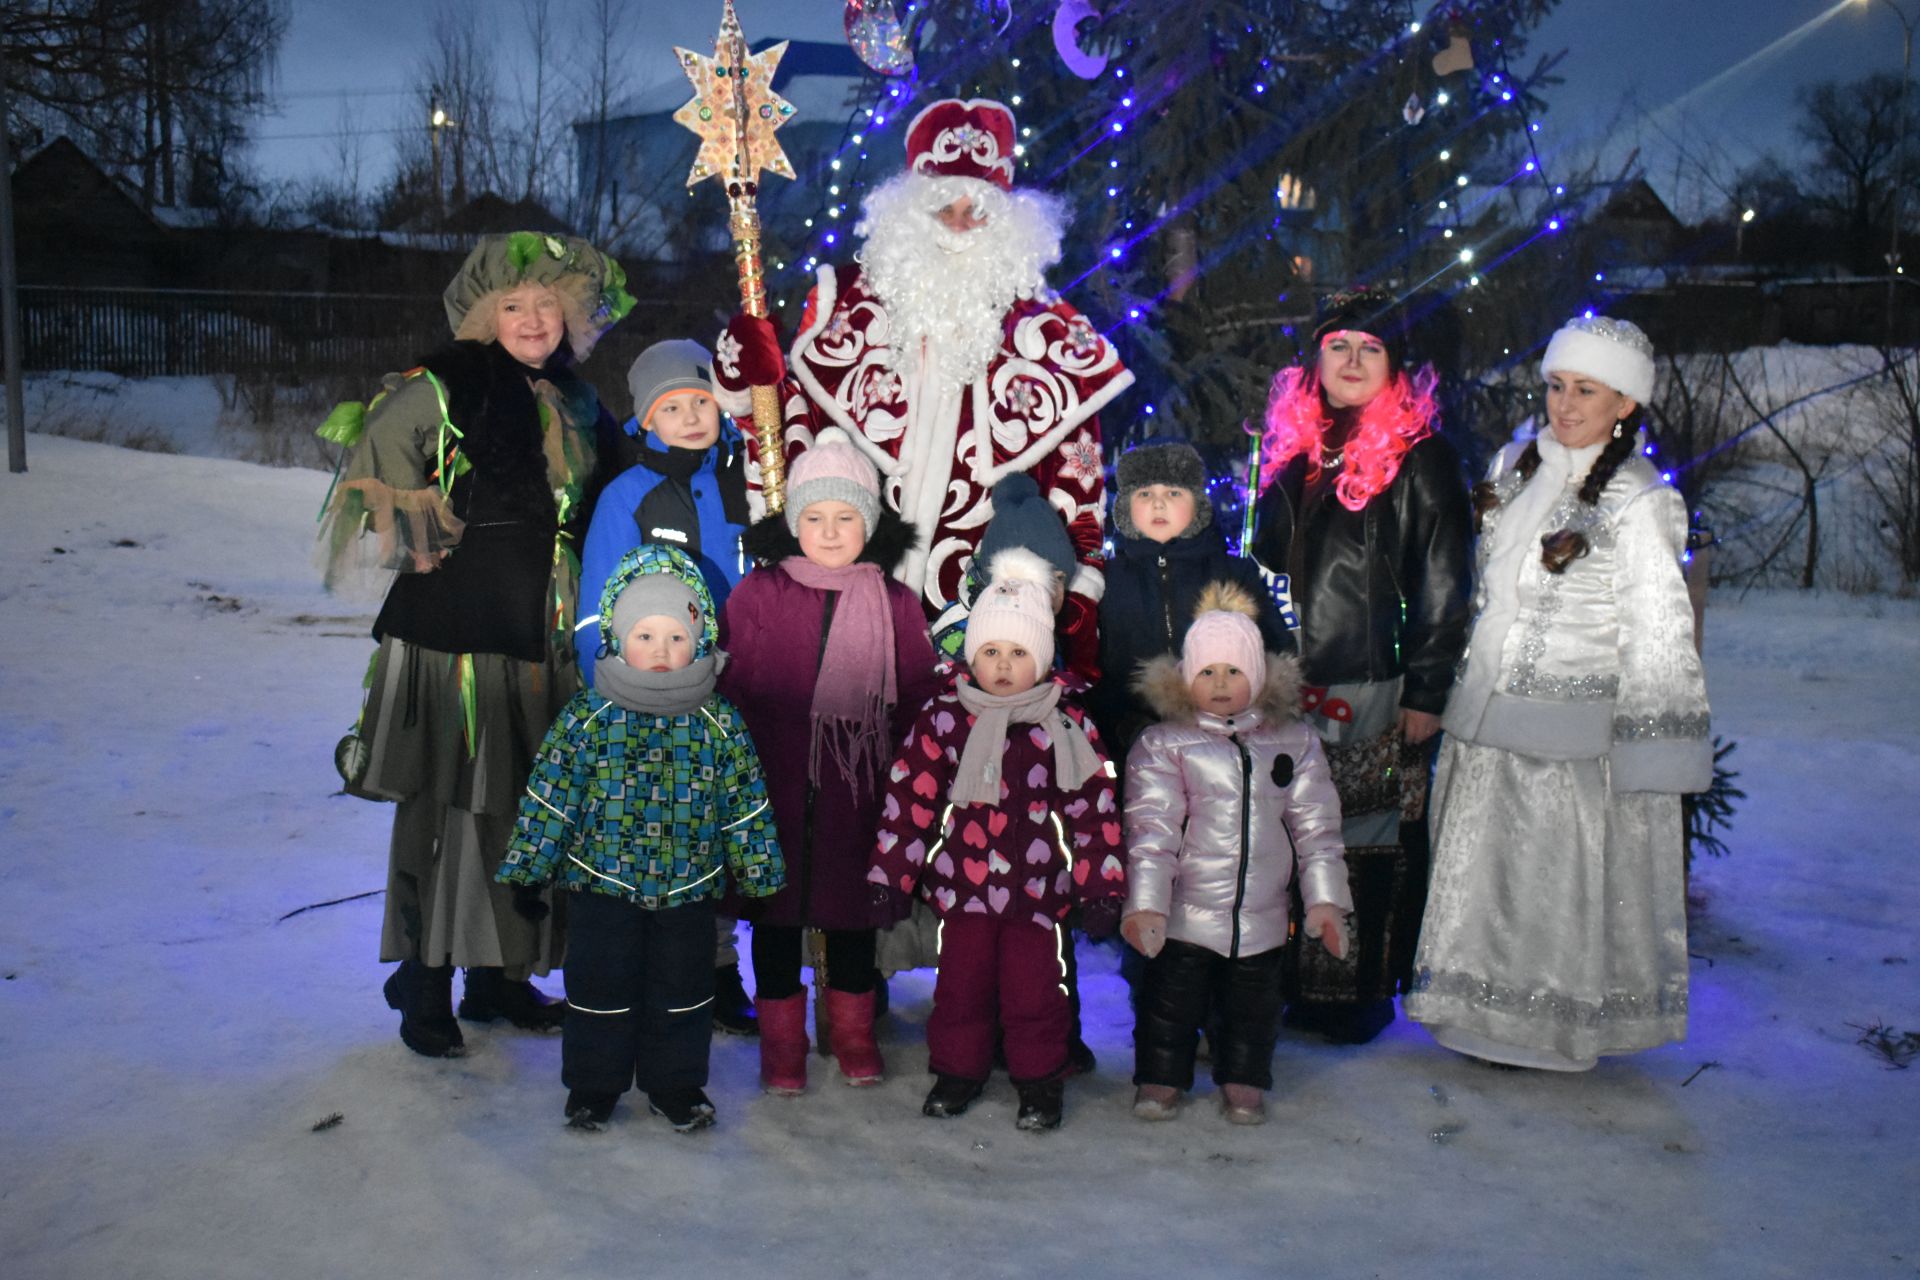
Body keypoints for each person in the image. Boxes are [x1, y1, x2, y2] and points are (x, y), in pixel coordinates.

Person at [318, 231, 633, 1058]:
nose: (533, 320)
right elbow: (373, 467)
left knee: (527, 808)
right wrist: (429, 537)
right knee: (450, 809)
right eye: (513, 305)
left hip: (547, 634)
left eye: (548, 306)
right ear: (483, 311)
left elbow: (627, 485)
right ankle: (425, 980)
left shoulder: (577, 398)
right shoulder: (444, 382)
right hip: (459, 637)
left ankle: (501, 974)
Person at [713, 96, 1130, 667]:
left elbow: (1077, 494)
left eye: (975, 210)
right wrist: (751, 380)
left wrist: (1071, 618)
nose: (959, 225)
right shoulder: (842, 302)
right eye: (942, 209)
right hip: (846, 593)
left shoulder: (1051, 335)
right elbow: (789, 426)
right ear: (910, 212)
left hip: (982, 623)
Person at [1405, 316, 1711, 1072]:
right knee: (1480, 876)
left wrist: (1654, 752)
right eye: (1557, 385)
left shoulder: (1638, 500)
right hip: (1485, 720)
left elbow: (1659, 631)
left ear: (1625, 405)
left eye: (1587, 391)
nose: (1566, 404)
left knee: (1550, 884)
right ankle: (1472, 1012)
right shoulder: (1514, 466)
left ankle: (1555, 1026)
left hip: (1571, 738)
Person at [1250, 286, 1472, 1044]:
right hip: (1286, 681)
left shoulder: (1423, 459)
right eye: (1338, 345)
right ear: (1315, 359)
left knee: (1362, 841)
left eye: (1370, 348)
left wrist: (1429, 688)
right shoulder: (1290, 452)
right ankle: (1283, 979)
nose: (1351, 360)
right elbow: (1263, 565)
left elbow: (1446, 583)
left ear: (1396, 365)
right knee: (1288, 835)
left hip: (1374, 683)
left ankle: (1353, 993)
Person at [496, 544, 783, 1131]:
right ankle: (593, 1085)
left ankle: (676, 1084)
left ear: (700, 640)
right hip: (602, 885)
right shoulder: (587, 717)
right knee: (599, 988)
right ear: (617, 639)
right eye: (645, 636)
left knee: (683, 992)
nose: (660, 651)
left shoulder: (717, 722)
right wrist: (528, 869)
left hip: (689, 889)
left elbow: (745, 804)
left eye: (676, 637)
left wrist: (759, 872)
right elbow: (551, 798)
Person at [717, 428, 943, 1095]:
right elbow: (734, 689)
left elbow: (915, 696)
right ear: (793, 523)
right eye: (814, 517)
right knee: (776, 922)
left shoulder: (893, 603)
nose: (830, 530)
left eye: (846, 517)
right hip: (774, 790)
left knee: (850, 920)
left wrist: (909, 781)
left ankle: (851, 1031)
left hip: (858, 792)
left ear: (869, 525)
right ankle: (781, 1041)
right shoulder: (759, 596)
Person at [870, 573, 1126, 1131]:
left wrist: (1102, 886)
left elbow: (1093, 810)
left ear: (1042, 658)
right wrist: (891, 875)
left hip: (1038, 898)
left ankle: (1040, 1080)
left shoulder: (1065, 722)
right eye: (990, 651)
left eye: (1018, 652)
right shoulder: (945, 719)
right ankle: (958, 1071)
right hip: (964, 892)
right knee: (961, 988)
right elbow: (911, 798)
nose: (1004, 665)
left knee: (1036, 993)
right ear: (971, 657)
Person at [574, 339, 758, 1035]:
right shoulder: (628, 497)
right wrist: (608, 682)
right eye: (672, 407)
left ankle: (719, 965)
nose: (690, 417)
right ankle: (657, 967)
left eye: (702, 403)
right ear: (644, 420)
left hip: (744, 690)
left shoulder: (749, 480)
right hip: (661, 697)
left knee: (728, 835)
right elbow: (597, 605)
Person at [1122, 584, 1350, 1124]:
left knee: (1253, 1009)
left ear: (1260, 676)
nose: (1220, 683)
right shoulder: (1164, 744)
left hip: (1263, 918)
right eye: (1206, 672)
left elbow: (1317, 827)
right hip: (1182, 916)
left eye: (1233, 670)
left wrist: (1324, 902)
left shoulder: (1293, 742)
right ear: (1185, 680)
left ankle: (1244, 1079)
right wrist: (1147, 906)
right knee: (1168, 1005)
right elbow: (1151, 832)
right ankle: (1160, 1078)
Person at [1088, 438, 1291, 773]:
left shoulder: (1233, 573)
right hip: (1133, 744)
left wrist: (1251, 717)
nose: (1158, 505)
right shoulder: (1107, 581)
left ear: (1197, 505)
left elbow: (1275, 650)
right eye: (1144, 495)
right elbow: (1094, 667)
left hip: (1225, 743)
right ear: (1125, 507)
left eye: (1173, 494)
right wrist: (1118, 723)